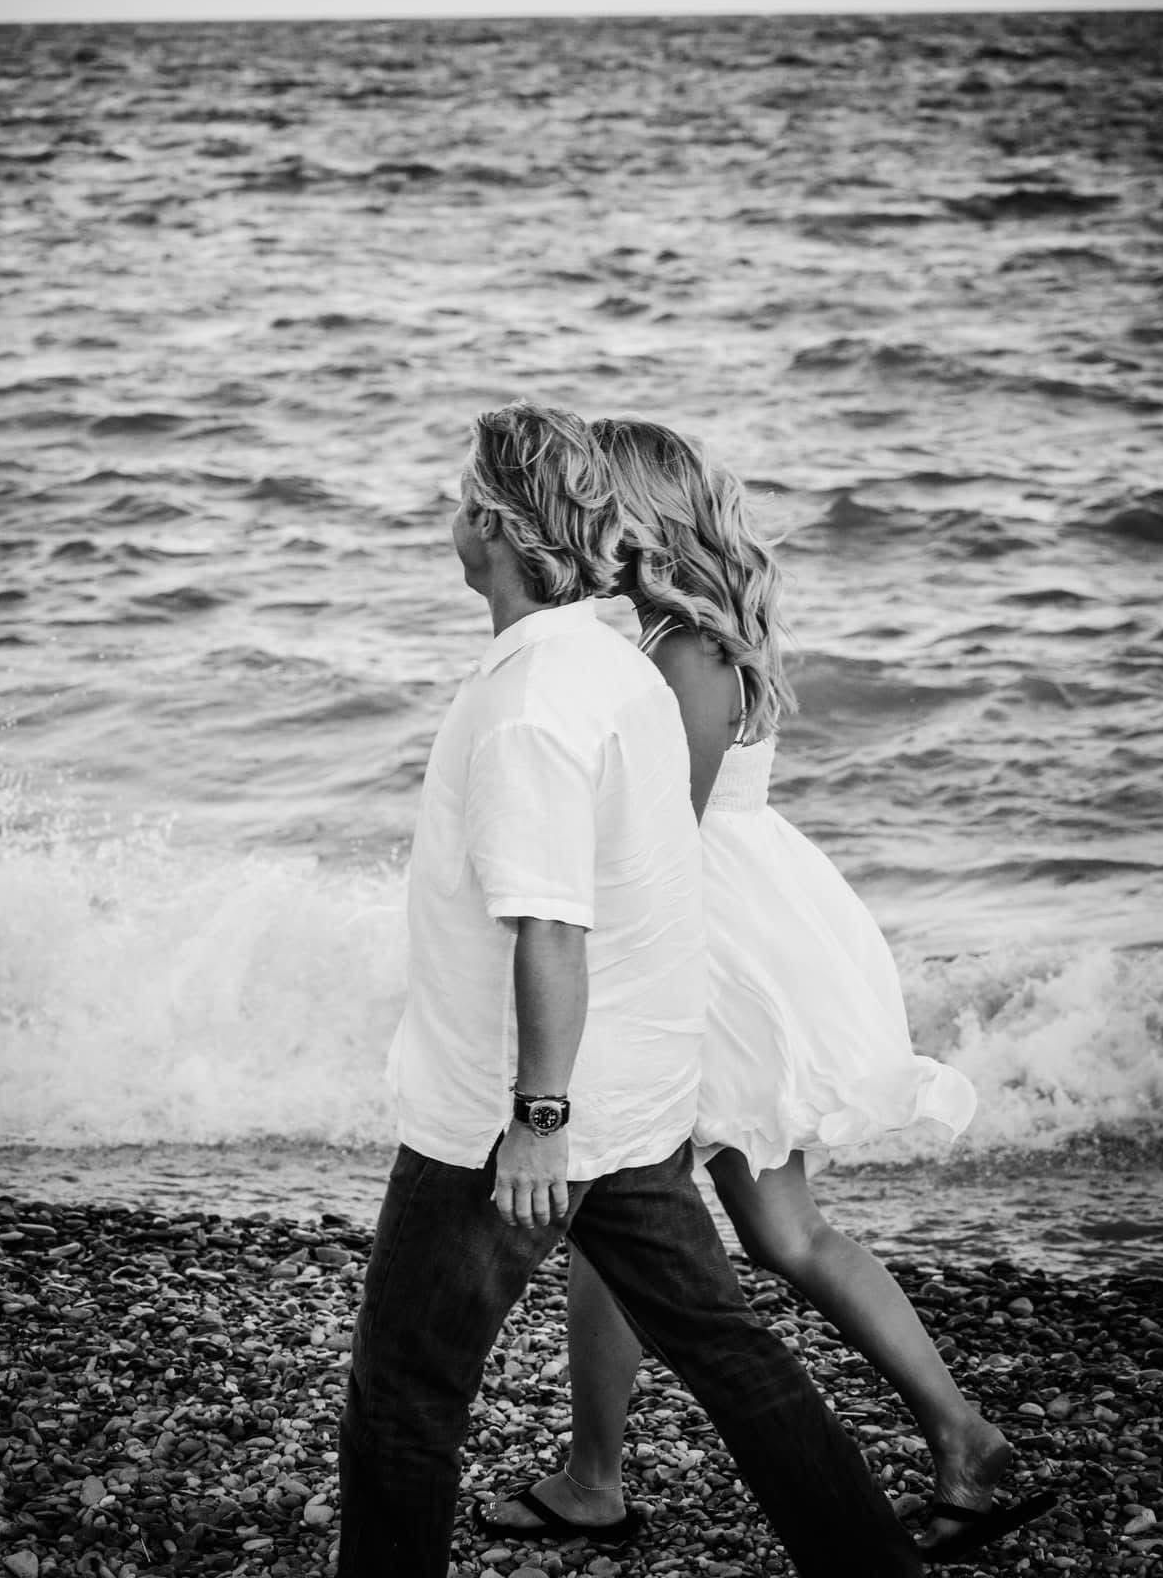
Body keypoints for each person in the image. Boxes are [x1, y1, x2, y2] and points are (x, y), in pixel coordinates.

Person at [338, 400, 926, 1578]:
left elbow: (555, 917)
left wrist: (536, 1120)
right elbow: (656, 884)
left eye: (463, 505)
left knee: (404, 1392)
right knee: (731, 1352)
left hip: (507, 1124)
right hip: (640, 1105)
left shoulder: (534, 702)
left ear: (500, 531)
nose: (449, 522)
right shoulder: (619, 668)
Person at [481, 416, 1055, 1566]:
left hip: (709, 953)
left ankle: (612, 1479)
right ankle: (955, 1440)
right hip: (730, 928)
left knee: (737, 1219)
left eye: (601, 498)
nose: (584, 514)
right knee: (733, 1223)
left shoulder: (685, 649)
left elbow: (658, 839)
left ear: (636, 516)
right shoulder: (669, 633)